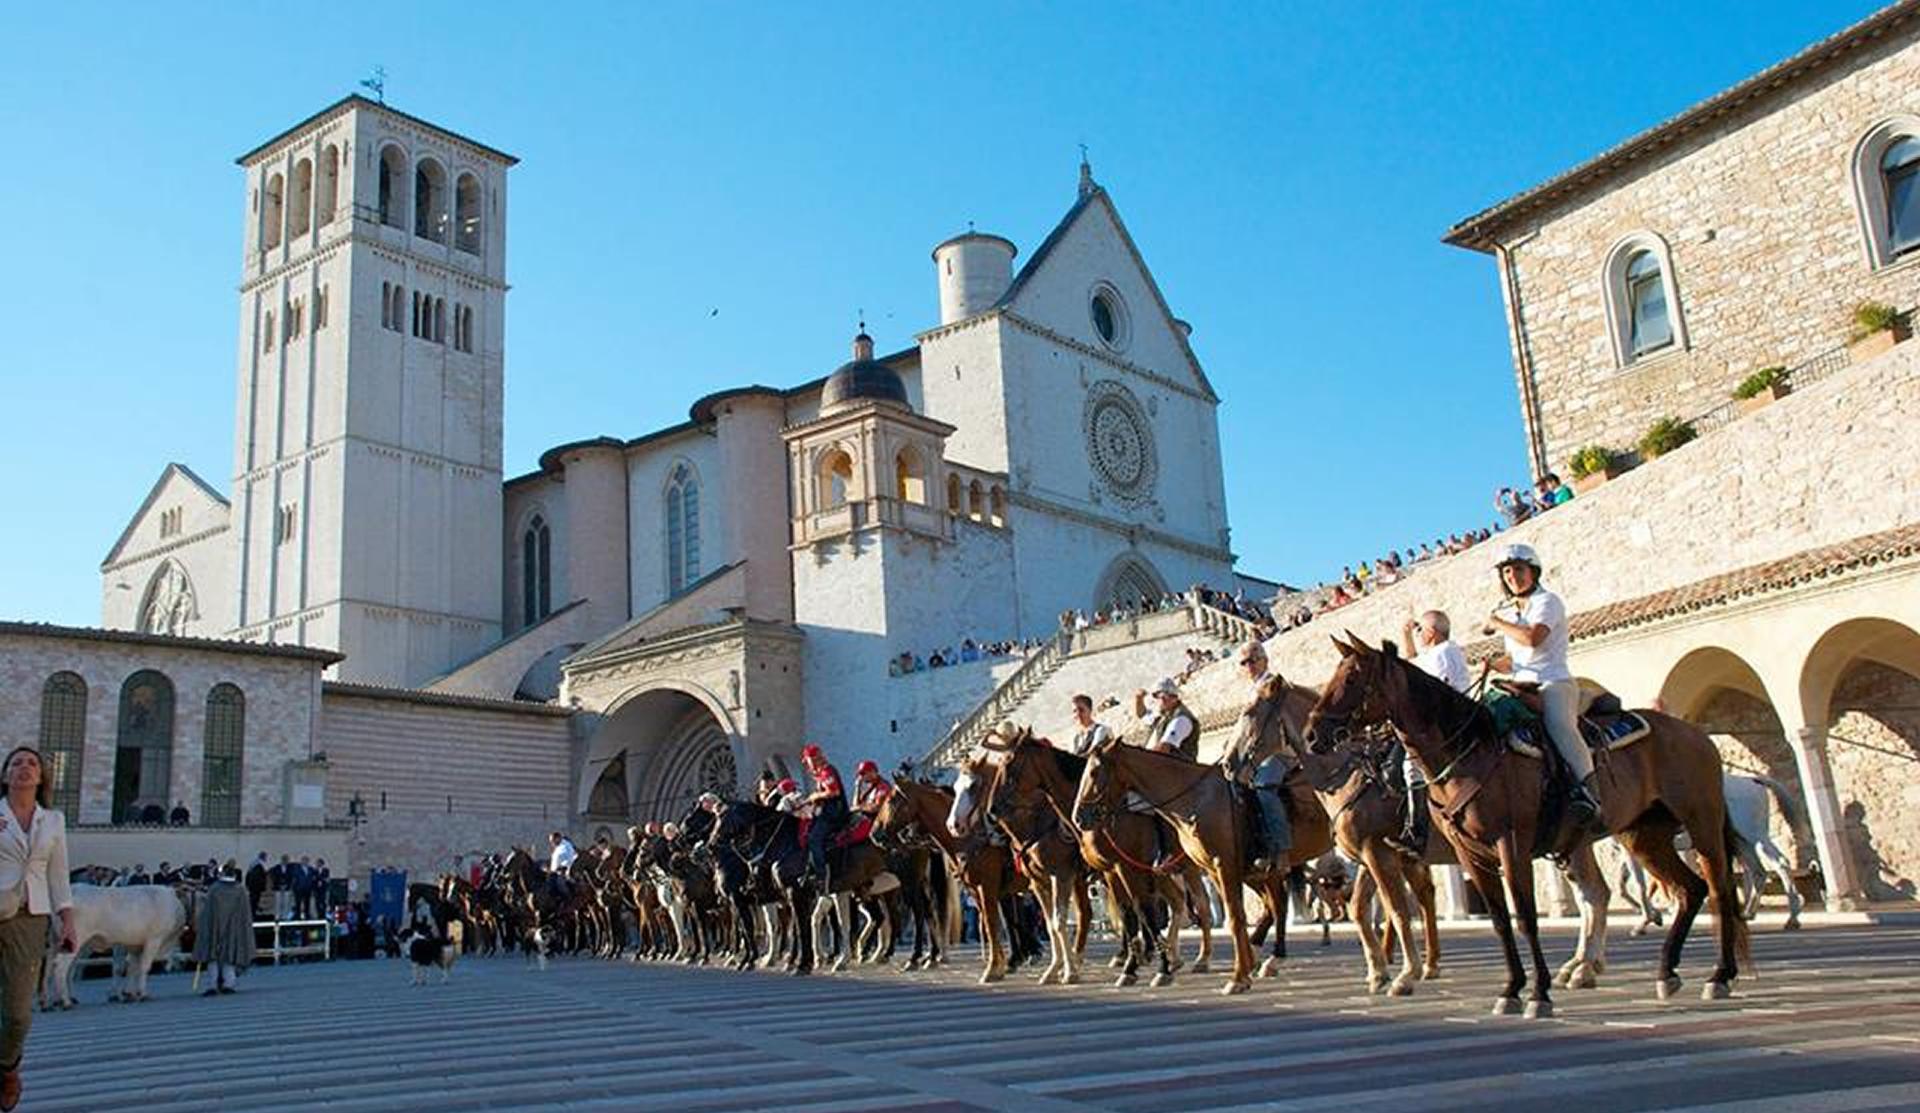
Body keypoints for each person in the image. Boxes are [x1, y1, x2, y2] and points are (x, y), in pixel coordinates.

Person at [1487, 543, 1603, 833]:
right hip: (1521, 683)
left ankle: (1590, 793)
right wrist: (1492, 664)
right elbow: (1517, 658)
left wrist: (1497, 623)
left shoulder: (1547, 602)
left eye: (1519, 570)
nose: (1513, 576)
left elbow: (1533, 639)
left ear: (1533, 572)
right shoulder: (1513, 612)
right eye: (1507, 572)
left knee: (1560, 726)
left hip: (1553, 682)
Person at [0, 747, 77, 1110]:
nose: (24, 769)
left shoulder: (53, 821)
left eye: (32, 763)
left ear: (43, 777)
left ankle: (8, 1066)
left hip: (31, 915)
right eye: (16, 763)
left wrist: (68, 921)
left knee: (18, 1012)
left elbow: (58, 874)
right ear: (5, 775)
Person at [1391, 610, 1473, 854]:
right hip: (1435, 722)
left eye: (1420, 631)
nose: (1418, 635)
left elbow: (1433, 693)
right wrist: (1405, 635)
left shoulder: (1445, 652)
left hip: (1447, 722)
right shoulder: (1435, 653)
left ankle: (1419, 829)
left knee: (1411, 764)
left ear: (1431, 633)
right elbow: (1412, 663)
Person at [192, 858, 255, 997]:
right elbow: (245, 915)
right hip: (234, 929)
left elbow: (207, 912)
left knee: (213, 957)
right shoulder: (240, 890)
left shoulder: (214, 889)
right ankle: (229, 984)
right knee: (230, 957)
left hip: (214, 927)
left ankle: (212, 985)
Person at [799, 744, 849, 885]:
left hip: (834, 814)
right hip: (828, 812)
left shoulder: (827, 772)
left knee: (814, 839)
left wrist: (815, 796)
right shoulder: (821, 773)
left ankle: (822, 874)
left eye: (808, 761)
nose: (808, 765)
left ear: (814, 759)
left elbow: (834, 792)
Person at [244, 852, 268, 917]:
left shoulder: (253, 863)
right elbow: (264, 875)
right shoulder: (261, 865)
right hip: (257, 886)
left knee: (253, 901)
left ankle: (252, 913)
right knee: (254, 901)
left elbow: (248, 875)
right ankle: (252, 914)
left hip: (252, 886)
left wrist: (247, 885)